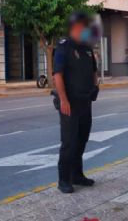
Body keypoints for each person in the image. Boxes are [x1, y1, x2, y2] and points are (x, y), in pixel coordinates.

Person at [53, 12, 99, 194]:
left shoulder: (86, 47)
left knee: (82, 139)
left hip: (85, 102)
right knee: (69, 142)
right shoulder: (64, 47)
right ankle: (63, 179)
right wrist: (63, 99)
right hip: (69, 103)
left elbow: (94, 71)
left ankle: (77, 175)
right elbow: (58, 75)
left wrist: (95, 86)